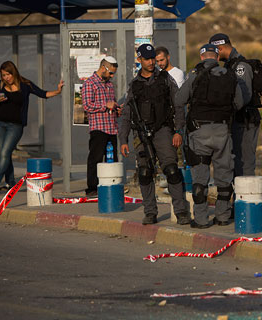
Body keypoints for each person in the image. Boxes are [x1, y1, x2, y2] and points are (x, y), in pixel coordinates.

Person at [119, 44, 190, 225]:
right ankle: (150, 212)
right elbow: (127, 114)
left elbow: (179, 105)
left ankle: (181, 212)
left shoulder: (165, 79)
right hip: (141, 135)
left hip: (164, 131)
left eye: (153, 59)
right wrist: (123, 139)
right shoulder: (134, 85)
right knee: (144, 172)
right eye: (147, 59)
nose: (151, 62)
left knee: (172, 170)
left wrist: (178, 130)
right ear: (140, 60)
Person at [175, 43, 244, 228]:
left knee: (200, 179)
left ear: (202, 57)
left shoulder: (195, 75)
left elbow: (179, 100)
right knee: (224, 178)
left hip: (199, 132)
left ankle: (201, 219)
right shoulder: (229, 75)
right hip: (223, 131)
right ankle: (222, 217)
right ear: (217, 56)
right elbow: (239, 103)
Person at [0, 61, 63, 190]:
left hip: (15, 126)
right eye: (3, 75)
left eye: (8, 74)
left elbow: (42, 93)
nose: (6, 78)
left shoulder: (25, 85)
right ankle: (10, 182)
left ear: (13, 72)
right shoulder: (0, 85)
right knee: (5, 153)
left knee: (5, 152)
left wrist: (57, 91)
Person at [208, 33, 258, 177]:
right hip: (236, 121)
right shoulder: (230, 65)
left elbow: (244, 97)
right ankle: (238, 198)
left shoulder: (240, 66)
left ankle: (246, 198)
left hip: (245, 121)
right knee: (234, 162)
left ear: (221, 48)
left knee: (245, 163)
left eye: (215, 51)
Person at [81, 56, 120, 197]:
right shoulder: (90, 83)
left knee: (112, 158)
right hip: (98, 127)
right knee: (95, 158)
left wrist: (116, 108)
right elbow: (87, 105)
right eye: (110, 73)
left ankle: (111, 184)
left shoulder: (109, 84)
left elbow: (112, 103)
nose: (111, 76)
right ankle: (92, 188)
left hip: (111, 126)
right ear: (103, 68)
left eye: (113, 74)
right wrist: (105, 105)